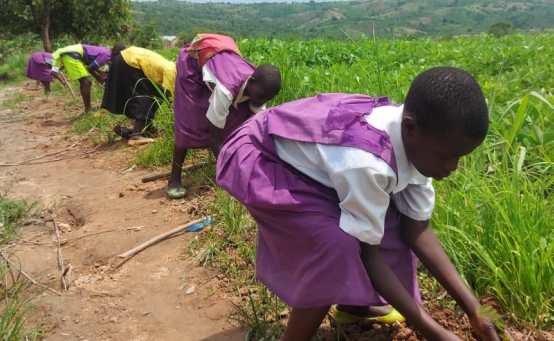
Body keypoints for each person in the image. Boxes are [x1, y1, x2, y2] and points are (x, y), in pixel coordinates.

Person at [215, 67, 513, 341]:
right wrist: (434, 332)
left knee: (391, 228)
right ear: (409, 129)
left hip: (322, 161)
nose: (453, 166)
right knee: (336, 246)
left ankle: (354, 307)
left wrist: (479, 312)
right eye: (447, 156)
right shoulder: (369, 164)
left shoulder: (425, 144)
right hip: (261, 154)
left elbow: (417, 231)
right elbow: (368, 254)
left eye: (461, 157)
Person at [166, 34, 281, 199]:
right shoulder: (226, 90)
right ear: (251, 82)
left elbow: (259, 130)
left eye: (267, 99)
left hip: (222, 58)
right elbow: (215, 140)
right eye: (261, 97)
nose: (262, 101)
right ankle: (174, 178)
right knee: (190, 121)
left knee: (241, 120)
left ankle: (235, 162)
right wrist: (234, 177)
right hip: (194, 59)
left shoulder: (261, 88)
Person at [101, 44, 176, 146]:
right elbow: (170, 98)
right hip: (129, 61)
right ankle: (135, 135)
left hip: (125, 59)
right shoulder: (172, 70)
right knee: (146, 97)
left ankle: (147, 129)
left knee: (153, 94)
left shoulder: (169, 65)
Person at [51, 44, 114, 113]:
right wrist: (98, 78)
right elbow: (90, 68)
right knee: (87, 82)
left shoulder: (106, 51)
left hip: (72, 54)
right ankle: (88, 109)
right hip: (71, 55)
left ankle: (87, 108)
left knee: (84, 82)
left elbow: (90, 61)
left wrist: (98, 71)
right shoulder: (107, 54)